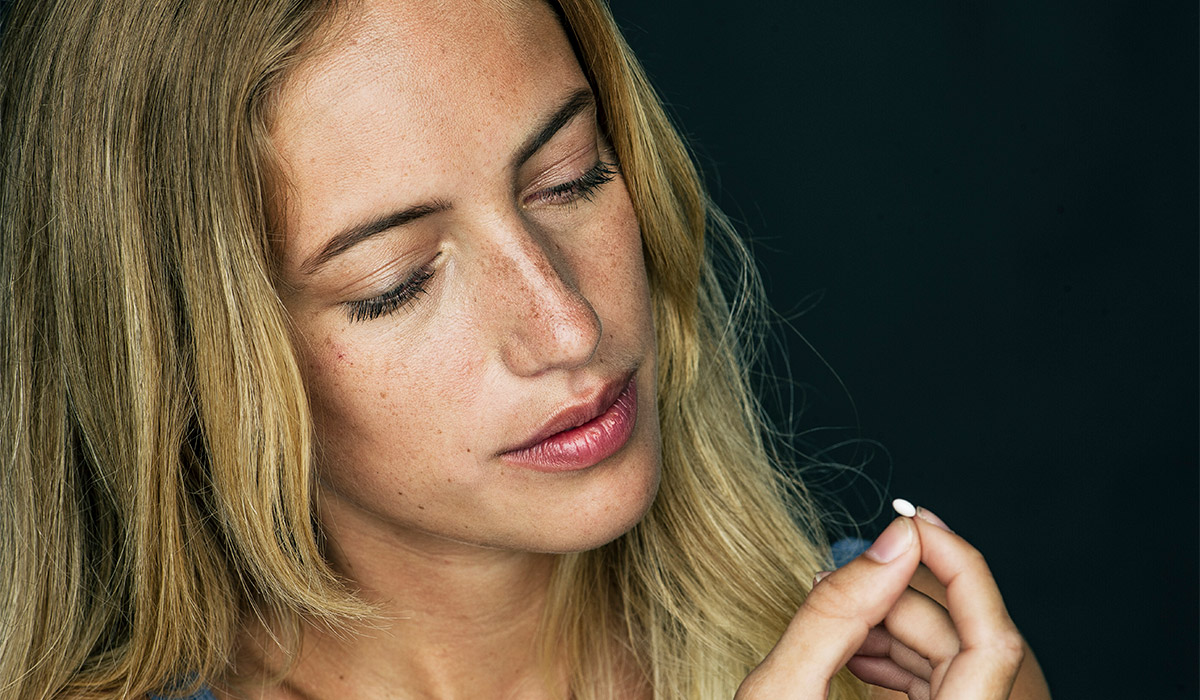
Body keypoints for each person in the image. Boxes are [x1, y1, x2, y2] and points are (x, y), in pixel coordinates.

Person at [0, 0, 1051, 698]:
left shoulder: (909, 672)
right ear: (184, 365)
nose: (570, 325)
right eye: (396, 280)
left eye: (571, 177)